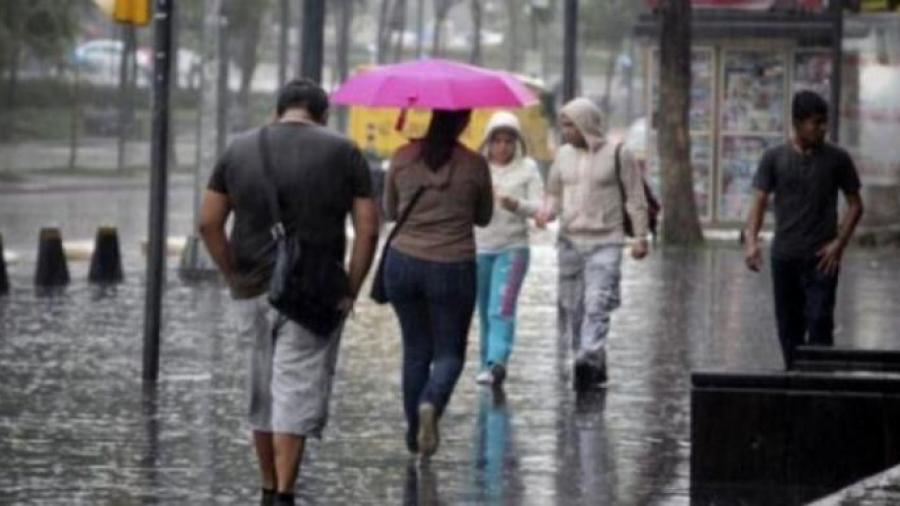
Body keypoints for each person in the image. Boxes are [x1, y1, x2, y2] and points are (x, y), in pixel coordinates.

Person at [199, 79, 379, 506]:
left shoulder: (238, 149)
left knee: (261, 392)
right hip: (314, 293)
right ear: (323, 115)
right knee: (295, 391)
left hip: (252, 288)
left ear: (277, 111)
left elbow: (208, 223)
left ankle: (266, 486)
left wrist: (234, 275)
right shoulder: (345, 152)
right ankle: (284, 493)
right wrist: (350, 288)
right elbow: (368, 229)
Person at [383, 109, 493, 459]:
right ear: (464, 122)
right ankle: (431, 402)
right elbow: (484, 217)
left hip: (403, 263)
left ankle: (414, 433)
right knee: (449, 353)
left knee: (415, 350)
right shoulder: (475, 164)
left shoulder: (402, 157)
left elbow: (390, 211)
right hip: (452, 266)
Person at [535, 97, 649, 392]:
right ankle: (590, 357)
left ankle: (587, 357)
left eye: (571, 125)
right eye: (563, 125)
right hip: (570, 242)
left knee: (597, 303)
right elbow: (553, 192)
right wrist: (547, 212)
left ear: (586, 124)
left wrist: (640, 237)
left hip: (606, 241)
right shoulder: (562, 155)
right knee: (573, 307)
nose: (566, 131)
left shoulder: (619, 154)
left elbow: (635, 197)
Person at [744, 90, 863, 370]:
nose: (822, 128)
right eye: (816, 122)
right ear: (797, 124)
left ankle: (819, 383)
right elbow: (759, 201)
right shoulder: (774, 158)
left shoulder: (837, 159)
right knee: (789, 328)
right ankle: (795, 379)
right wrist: (751, 241)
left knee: (820, 322)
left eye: (825, 122)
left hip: (822, 258)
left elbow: (856, 205)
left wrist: (839, 243)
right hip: (785, 257)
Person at [474, 111, 544, 387]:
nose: (502, 147)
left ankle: (497, 362)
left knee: (501, 307)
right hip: (479, 248)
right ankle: (484, 364)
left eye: (508, 141)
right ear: (488, 142)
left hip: (513, 248)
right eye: (497, 141)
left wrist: (515, 204)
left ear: (517, 142)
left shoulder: (528, 168)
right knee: (484, 310)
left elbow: (539, 207)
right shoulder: (477, 168)